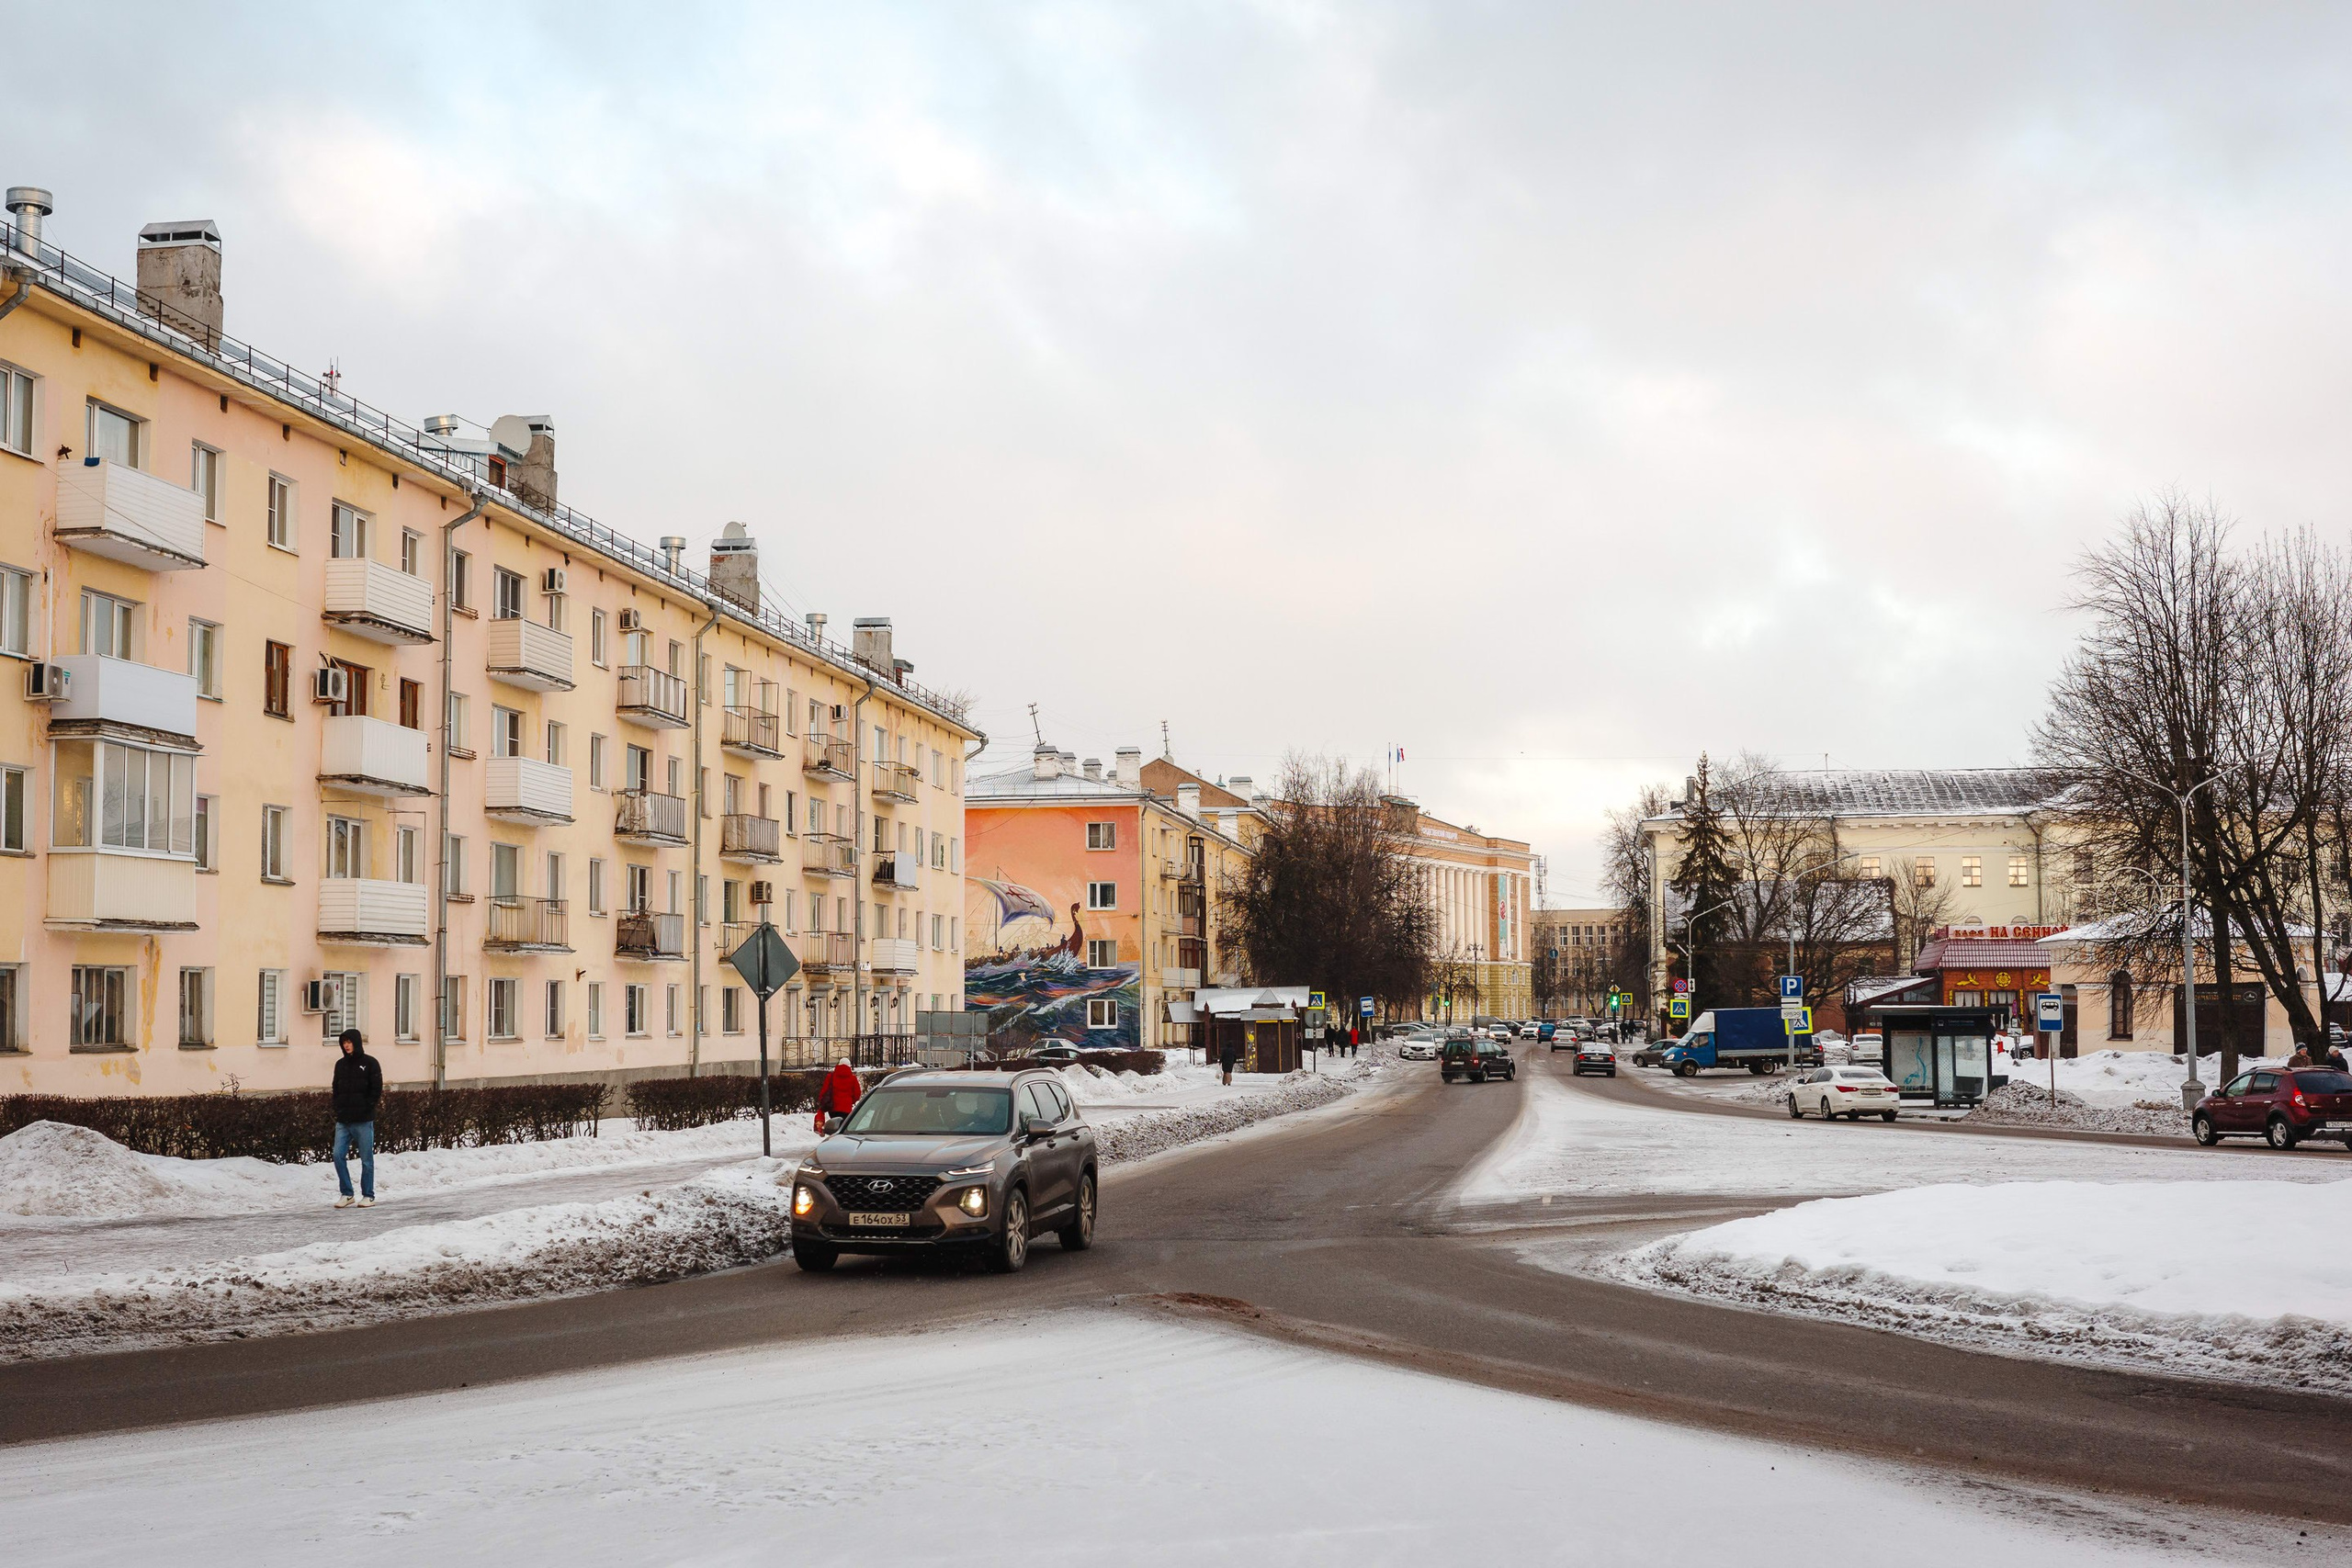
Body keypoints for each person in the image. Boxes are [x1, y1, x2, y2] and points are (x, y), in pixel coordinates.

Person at [330, 1027, 382, 1209]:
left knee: (366, 1159)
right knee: (338, 1155)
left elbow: (376, 1089)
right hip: (343, 1120)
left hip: (363, 1120)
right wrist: (338, 1107)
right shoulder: (340, 1065)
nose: (346, 1046)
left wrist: (367, 1107)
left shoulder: (370, 1063)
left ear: (356, 1043)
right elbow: (336, 1088)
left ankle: (368, 1195)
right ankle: (347, 1193)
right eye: (344, 1042)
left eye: (349, 1042)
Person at [816, 1057, 862, 1133]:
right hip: (846, 1108)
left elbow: (824, 1090)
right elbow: (857, 1094)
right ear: (849, 1066)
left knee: (834, 1126)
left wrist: (822, 1101)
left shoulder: (831, 1076)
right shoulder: (853, 1078)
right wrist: (851, 1101)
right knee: (843, 1127)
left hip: (833, 1107)